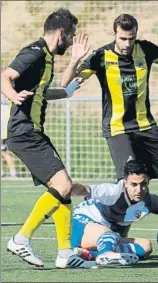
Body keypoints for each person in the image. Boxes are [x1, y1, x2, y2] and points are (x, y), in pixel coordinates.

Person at [60, 13, 158, 232]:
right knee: (129, 185)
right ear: (114, 34)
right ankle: (116, 238)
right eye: (122, 38)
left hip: (146, 126)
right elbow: (66, 85)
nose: (126, 44)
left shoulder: (145, 49)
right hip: (118, 129)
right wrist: (75, 59)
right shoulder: (101, 56)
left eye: (131, 38)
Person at [1, 9, 95, 269]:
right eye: (72, 36)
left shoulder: (48, 57)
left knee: (61, 189)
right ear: (62, 33)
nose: (73, 40)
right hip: (24, 132)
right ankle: (21, 239)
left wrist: (68, 85)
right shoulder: (33, 52)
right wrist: (12, 95)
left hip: (32, 132)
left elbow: (46, 91)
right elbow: (5, 76)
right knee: (64, 185)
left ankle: (65, 253)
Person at [1, 95, 17, 178]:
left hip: (4, 132)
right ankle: (9, 171)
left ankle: (12, 171)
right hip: (5, 131)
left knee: (5, 152)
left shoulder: (7, 103)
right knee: (4, 152)